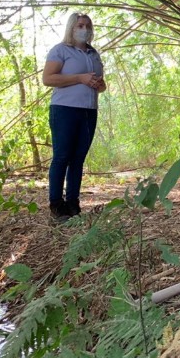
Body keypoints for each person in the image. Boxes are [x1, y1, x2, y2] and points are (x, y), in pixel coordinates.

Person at [42, 13, 106, 222]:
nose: (84, 29)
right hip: (64, 109)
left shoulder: (93, 54)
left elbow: (101, 83)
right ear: (71, 28)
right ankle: (56, 205)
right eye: (80, 25)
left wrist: (100, 85)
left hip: (88, 110)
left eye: (87, 26)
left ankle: (73, 204)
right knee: (62, 157)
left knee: (78, 159)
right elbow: (48, 78)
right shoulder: (61, 50)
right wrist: (79, 78)